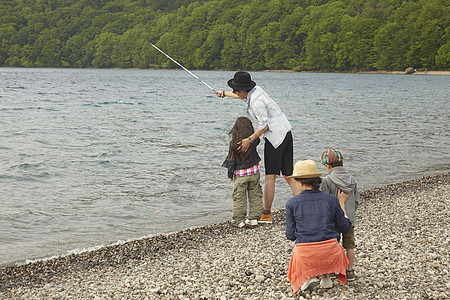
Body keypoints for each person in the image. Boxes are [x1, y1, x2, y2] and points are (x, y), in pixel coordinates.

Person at [216, 71, 300, 224]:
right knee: (288, 174)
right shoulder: (256, 91)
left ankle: (266, 214)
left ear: (243, 90)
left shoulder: (256, 102)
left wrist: (249, 139)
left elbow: (264, 125)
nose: (235, 92)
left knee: (270, 176)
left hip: (275, 137)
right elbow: (242, 97)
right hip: (286, 132)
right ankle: (305, 205)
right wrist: (224, 94)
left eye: (235, 90)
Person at [285, 160, 351, 294]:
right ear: (317, 181)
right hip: (331, 254)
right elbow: (345, 227)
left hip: (306, 255)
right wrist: (342, 205)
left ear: (301, 182)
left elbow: (290, 235)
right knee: (327, 242)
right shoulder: (331, 200)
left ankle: (307, 277)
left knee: (298, 249)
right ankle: (326, 277)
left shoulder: (292, 203)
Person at [320, 147, 360, 281]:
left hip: (333, 220)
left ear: (328, 166)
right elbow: (356, 201)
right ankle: (350, 271)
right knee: (349, 245)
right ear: (342, 163)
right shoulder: (352, 180)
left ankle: (332, 270)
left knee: (333, 245)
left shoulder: (327, 180)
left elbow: (324, 201)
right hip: (350, 219)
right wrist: (350, 213)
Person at [222, 117, 263, 228]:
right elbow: (258, 138)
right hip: (254, 172)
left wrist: (230, 174)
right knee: (255, 195)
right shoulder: (253, 141)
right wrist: (252, 136)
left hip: (241, 176)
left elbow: (231, 160)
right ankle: (254, 218)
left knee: (239, 197)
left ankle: (239, 221)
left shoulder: (234, 144)